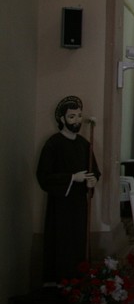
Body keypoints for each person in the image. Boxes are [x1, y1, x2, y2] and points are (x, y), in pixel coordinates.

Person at [36, 96, 100, 284]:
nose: (77, 121)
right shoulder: (53, 144)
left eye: (79, 116)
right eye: (72, 117)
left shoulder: (84, 144)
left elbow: (94, 170)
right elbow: (44, 175)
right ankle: (60, 283)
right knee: (62, 242)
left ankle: (80, 281)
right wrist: (72, 178)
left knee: (79, 242)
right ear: (62, 119)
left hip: (80, 203)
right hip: (61, 206)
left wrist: (92, 180)